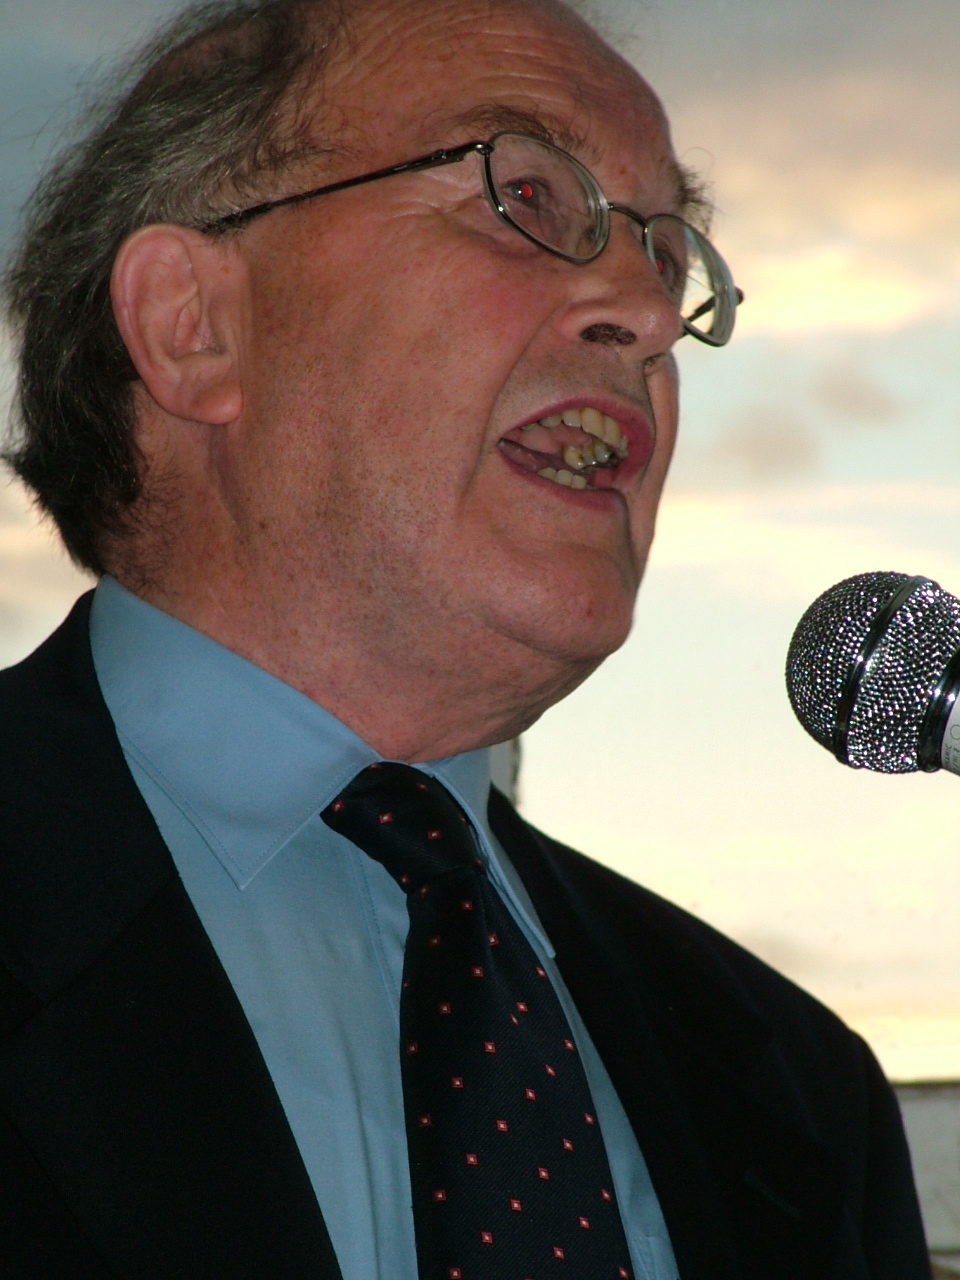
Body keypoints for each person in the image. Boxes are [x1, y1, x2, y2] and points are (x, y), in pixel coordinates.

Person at [0, 0, 929, 1277]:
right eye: (527, 197)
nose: (650, 316)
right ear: (192, 325)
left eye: (669, 257)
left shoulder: (801, 1092)